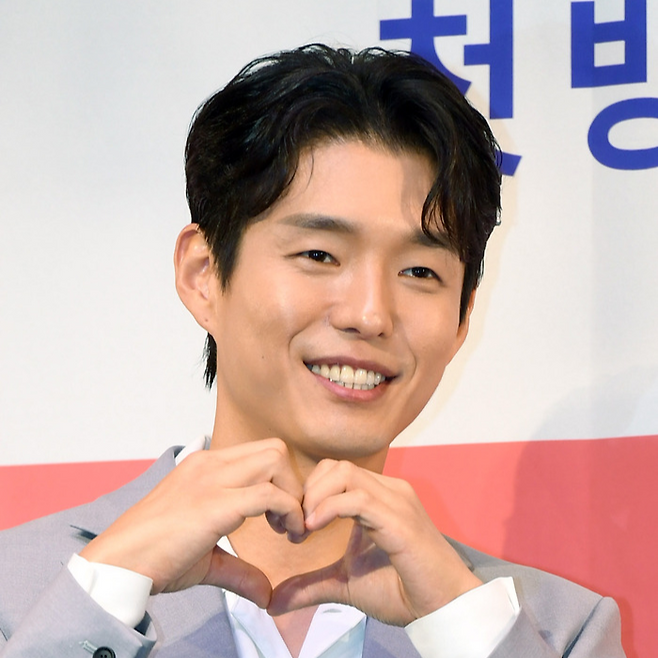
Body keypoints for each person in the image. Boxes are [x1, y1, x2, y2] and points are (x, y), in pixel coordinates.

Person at [0, 44, 624, 658]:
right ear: (203, 275)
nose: (370, 314)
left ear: (462, 318)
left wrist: (460, 626)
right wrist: (109, 591)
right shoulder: (22, 596)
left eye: (419, 272)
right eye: (319, 255)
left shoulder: (557, 632)